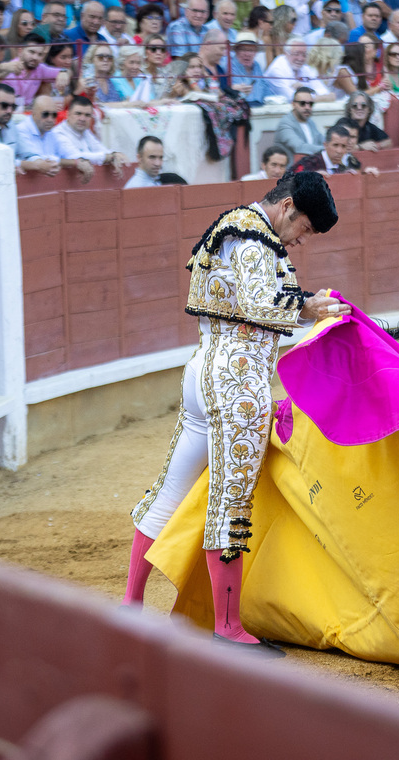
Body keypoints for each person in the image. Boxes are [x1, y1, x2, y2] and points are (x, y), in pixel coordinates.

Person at [122, 171, 346, 657]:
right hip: (237, 382)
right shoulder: (252, 236)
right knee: (230, 501)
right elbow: (260, 302)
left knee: (170, 490)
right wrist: (312, 308)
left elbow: (256, 309)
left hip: (206, 368)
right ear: (287, 207)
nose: (302, 240)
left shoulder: (242, 230)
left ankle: (131, 606)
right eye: (304, 228)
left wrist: (311, 314)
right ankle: (227, 628)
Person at [52, 95, 131, 181]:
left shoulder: (85, 131)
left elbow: (100, 149)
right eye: (78, 114)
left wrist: (115, 155)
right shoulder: (58, 133)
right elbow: (76, 156)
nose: (82, 118)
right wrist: (109, 157)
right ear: (68, 114)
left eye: (87, 115)